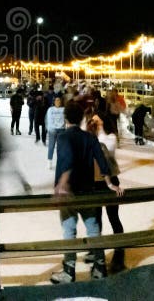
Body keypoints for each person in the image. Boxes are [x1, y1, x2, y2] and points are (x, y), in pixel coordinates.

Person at [50, 102, 124, 284]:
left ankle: (69, 271)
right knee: (93, 229)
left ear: (66, 118)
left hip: (70, 192)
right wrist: (109, 183)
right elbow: (102, 160)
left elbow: (67, 160)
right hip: (88, 191)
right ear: (82, 118)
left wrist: (62, 183)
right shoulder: (90, 138)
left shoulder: (64, 137)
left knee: (69, 230)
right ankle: (99, 268)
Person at [91, 113, 125, 273]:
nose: (95, 122)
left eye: (98, 119)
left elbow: (105, 152)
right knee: (95, 220)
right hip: (95, 183)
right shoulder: (91, 136)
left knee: (113, 218)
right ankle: (97, 251)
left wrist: (96, 133)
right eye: (94, 120)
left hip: (110, 180)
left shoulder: (110, 137)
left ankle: (119, 256)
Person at [45, 96, 65, 169]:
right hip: (52, 130)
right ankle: (49, 161)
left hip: (61, 130)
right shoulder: (50, 109)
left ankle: (60, 162)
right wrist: (48, 129)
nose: (58, 102)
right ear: (54, 101)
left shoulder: (64, 109)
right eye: (56, 100)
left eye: (59, 100)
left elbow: (66, 119)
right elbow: (46, 119)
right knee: (51, 146)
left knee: (60, 147)